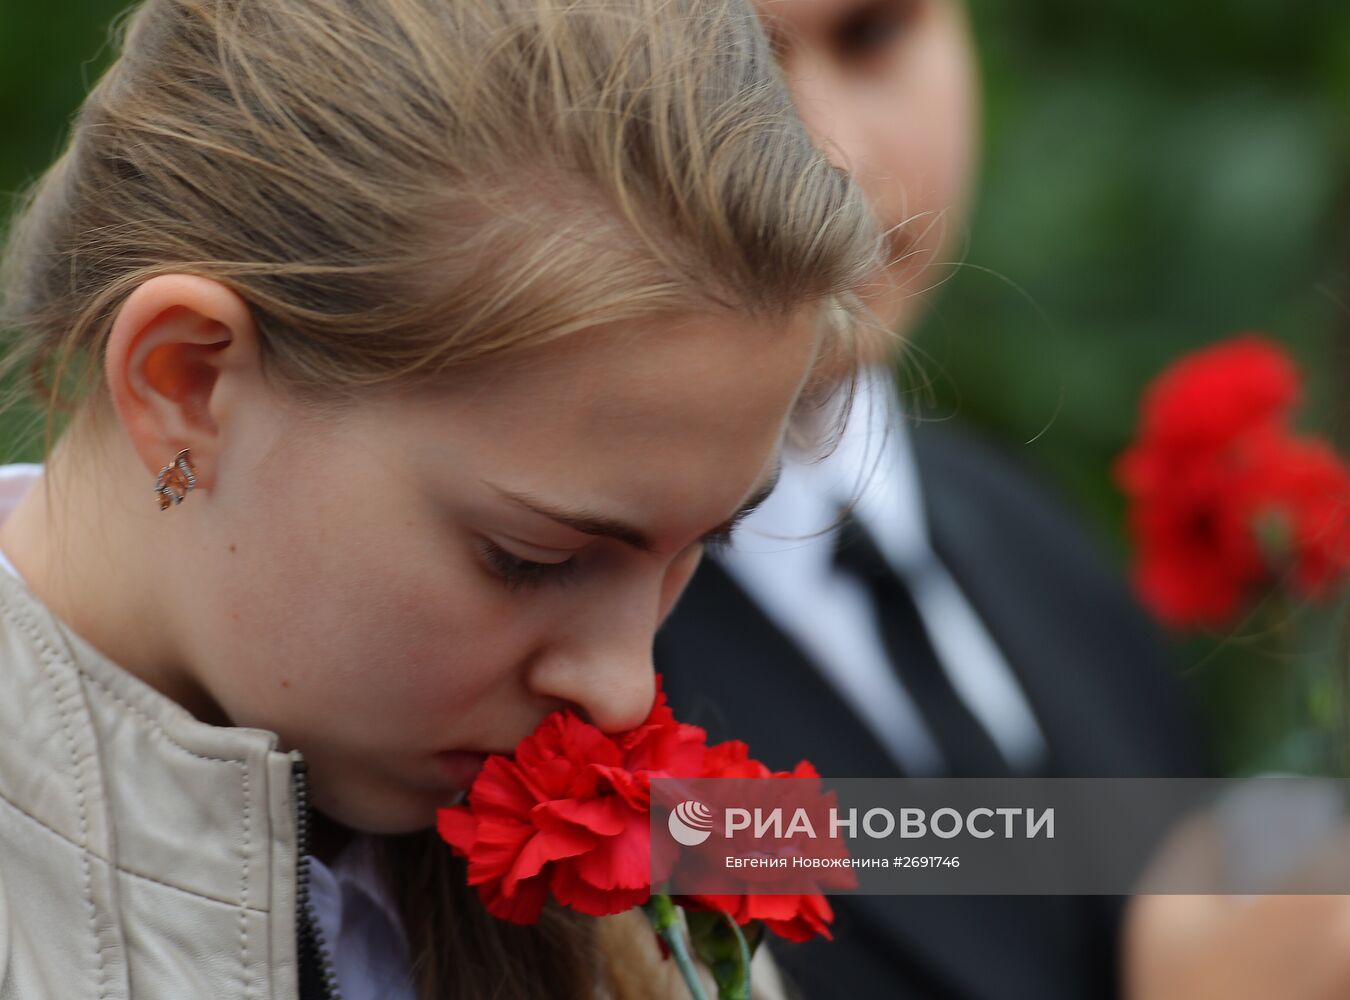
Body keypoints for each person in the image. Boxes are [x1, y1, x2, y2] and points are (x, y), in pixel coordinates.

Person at [0, 0, 888, 997]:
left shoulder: (634, 908)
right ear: (187, 383)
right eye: (529, 557)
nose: (624, 693)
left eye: (699, 549)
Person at [655, 1, 1213, 997]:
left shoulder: (1032, 533)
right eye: (728, 60)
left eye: (873, 36)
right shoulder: (546, 678)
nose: (828, 151)